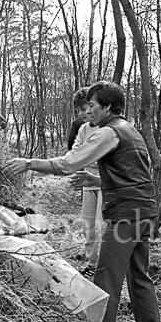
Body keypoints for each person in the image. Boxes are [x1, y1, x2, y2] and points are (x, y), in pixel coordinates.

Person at [3, 81, 161, 322]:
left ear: (108, 107)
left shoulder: (108, 133)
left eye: (92, 106)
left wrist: (29, 163)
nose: (87, 111)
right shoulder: (131, 131)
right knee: (139, 275)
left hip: (124, 215)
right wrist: (96, 180)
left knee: (106, 277)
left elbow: (67, 164)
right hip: (144, 210)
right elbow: (133, 176)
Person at [69, 87, 103, 279]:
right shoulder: (83, 129)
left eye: (85, 108)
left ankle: (104, 265)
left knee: (102, 227)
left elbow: (103, 157)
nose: (82, 113)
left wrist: (87, 158)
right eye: (78, 111)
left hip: (105, 184)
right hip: (88, 184)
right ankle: (92, 263)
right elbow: (76, 154)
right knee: (88, 226)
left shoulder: (106, 128)